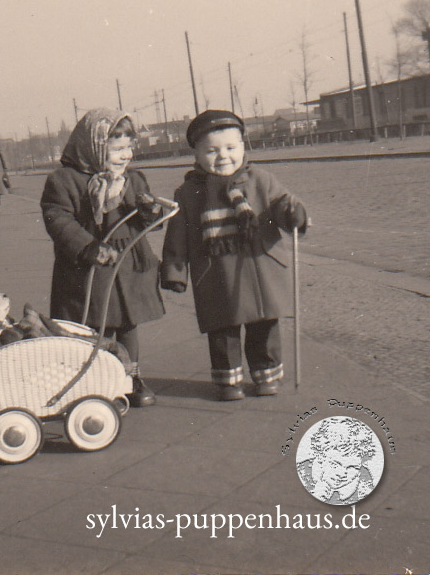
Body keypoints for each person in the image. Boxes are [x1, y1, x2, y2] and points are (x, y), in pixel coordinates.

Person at [160, 110, 308, 401]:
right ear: (197, 154)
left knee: (264, 324)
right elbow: (177, 234)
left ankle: (266, 374)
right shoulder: (189, 193)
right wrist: (175, 271)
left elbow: (280, 204)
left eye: (231, 148)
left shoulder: (261, 180)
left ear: (243, 147)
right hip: (216, 274)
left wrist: (293, 213)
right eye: (212, 151)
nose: (223, 156)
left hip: (260, 268)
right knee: (222, 329)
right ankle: (228, 381)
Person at [40, 108, 164, 407]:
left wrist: (150, 211)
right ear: (94, 146)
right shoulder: (64, 181)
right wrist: (87, 246)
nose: (126, 156)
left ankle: (130, 377)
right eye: (117, 149)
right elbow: (58, 219)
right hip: (89, 266)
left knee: (127, 324)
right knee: (94, 325)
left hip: (127, 262)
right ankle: (95, 379)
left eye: (129, 149)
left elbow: (142, 219)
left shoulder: (132, 179)